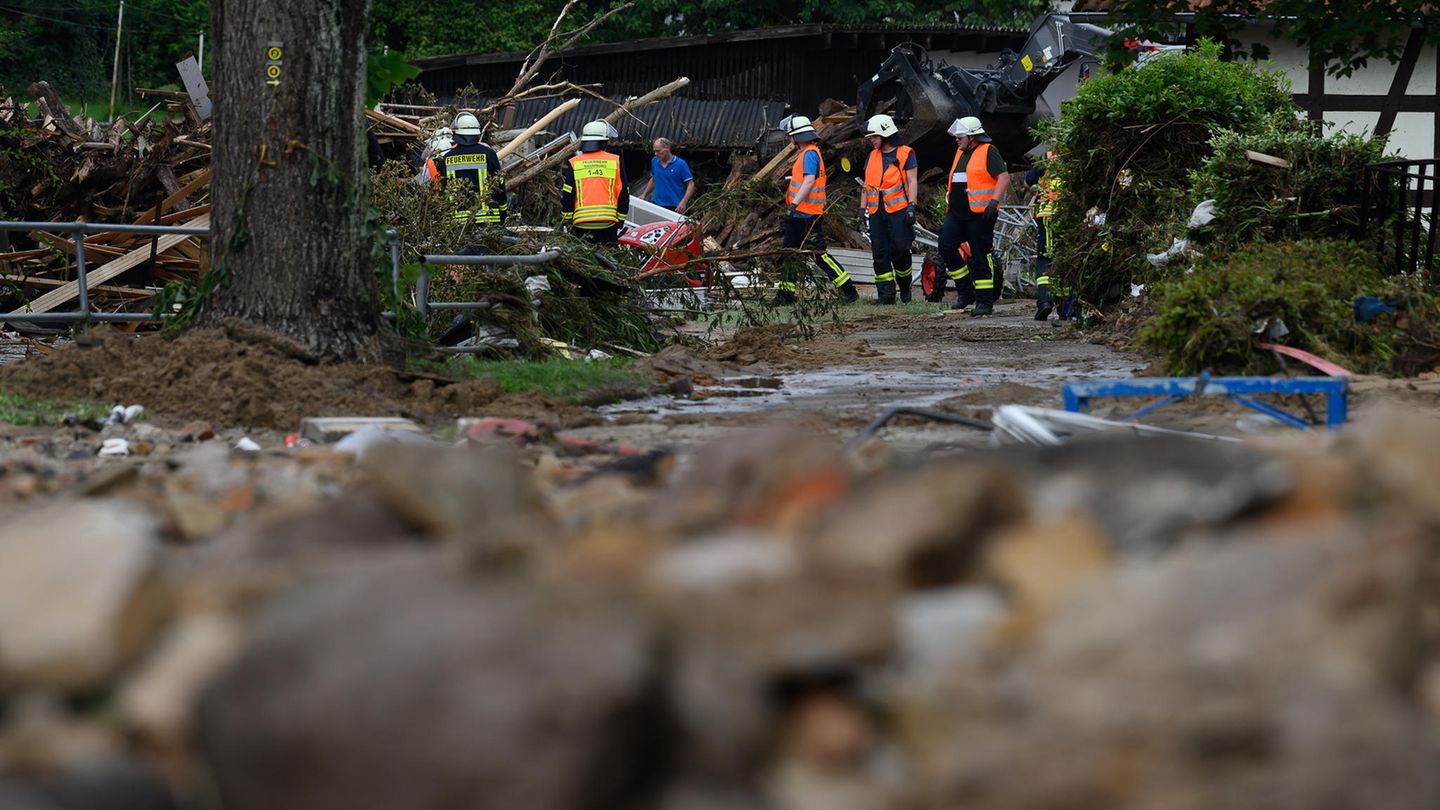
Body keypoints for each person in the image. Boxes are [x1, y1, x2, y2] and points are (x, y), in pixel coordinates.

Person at [770, 114, 859, 307]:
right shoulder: (808, 153)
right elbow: (804, 179)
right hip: (802, 213)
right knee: (790, 252)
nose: (789, 139)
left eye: (790, 135)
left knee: (818, 254)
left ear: (797, 136)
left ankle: (849, 291)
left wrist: (793, 205)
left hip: (806, 213)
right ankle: (786, 294)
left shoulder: (809, 154)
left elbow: (810, 181)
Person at [937, 116, 1009, 317]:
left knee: (979, 256)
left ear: (972, 137)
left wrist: (994, 202)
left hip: (980, 215)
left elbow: (1003, 177)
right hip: (958, 214)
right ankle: (966, 291)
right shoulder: (960, 152)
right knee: (946, 245)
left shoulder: (988, 151)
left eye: (961, 136)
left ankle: (985, 302)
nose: (957, 140)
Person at [860, 114, 919, 304]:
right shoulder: (872, 156)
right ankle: (886, 295)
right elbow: (867, 184)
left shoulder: (905, 153)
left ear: (885, 134)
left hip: (899, 211)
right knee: (879, 251)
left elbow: (912, 181)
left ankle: (904, 287)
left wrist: (911, 206)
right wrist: (862, 209)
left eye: (874, 137)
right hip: (876, 211)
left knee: (900, 249)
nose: (872, 140)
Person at [421, 113, 507, 228]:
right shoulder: (489, 154)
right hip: (489, 219)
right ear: (477, 133)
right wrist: (503, 214)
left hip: (457, 223)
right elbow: (499, 185)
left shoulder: (447, 158)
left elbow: (442, 190)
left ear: (456, 133)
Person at [561, 120, 629, 244]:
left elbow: (568, 194)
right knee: (607, 261)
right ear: (604, 142)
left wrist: (567, 219)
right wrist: (620, 221)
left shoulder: (575, 162)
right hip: (607, 223)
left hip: (581, 225)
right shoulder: (615, 161)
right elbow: (623, 193)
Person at [1025, 150, 1060, 320]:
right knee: (1062, 257)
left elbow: (1028, 182)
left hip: (1048, 214)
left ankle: (1044, 301)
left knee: (1045, 259)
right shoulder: (1078, 154)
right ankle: (1065, 308)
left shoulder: (1048, 157)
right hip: (1069, 216)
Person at [639, 138, 695, 214]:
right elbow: (654, 179)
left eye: (658, 151)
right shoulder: (654, 161)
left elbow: (690, 184)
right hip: (656, 203)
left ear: (667, 148)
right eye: (654, 151)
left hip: (675, 207)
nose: (655, 154)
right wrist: (644, 195)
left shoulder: (680, 164)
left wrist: (684, 202)